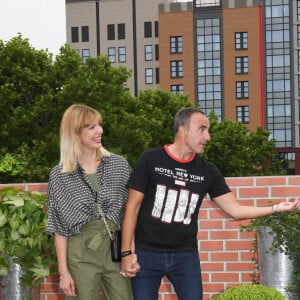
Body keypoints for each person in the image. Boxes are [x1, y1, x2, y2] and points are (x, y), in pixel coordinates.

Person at [120, 107, 300, 300]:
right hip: (146, 253)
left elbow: (235, 210)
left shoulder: (207, 171)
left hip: (185, 256)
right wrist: (126, 254)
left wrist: (275, 209)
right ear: (183, 129)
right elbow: (132, 208)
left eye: (208, 130)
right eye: (202, 129)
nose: (208, 137)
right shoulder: (151, 159)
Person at [46, 104, 135, 300]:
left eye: (99, 125)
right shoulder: (60, 174)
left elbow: (131, 212)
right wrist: (64, 272)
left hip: (115, 246)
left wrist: (131, 252)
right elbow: (59, 226)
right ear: (74, 133)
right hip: (80, 252)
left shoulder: (118, 165)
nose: (100, 131)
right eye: (91, 127)